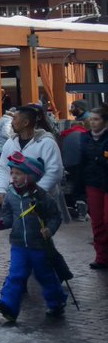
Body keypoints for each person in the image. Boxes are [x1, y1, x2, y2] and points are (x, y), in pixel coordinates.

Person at [0, 153, 67, 322]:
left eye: (18, 174)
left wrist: (49, 230)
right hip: (18, 244)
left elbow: (55, 216)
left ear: (30, 176)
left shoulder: (41, 196)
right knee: (16, 275)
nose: (14, 177)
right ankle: (8, 306)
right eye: (12, 173)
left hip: (39, 245)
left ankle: (57, 301)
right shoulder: (11, 196)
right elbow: (8, 219)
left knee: (45, 275)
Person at [0, 105, 63, 201]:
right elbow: (3, 168)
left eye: (14, 119)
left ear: (25, 123)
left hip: (44, 202)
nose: (11, 122)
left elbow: (55, 171)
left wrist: (36, 192)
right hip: (16, 199)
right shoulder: (10, 143)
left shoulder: (47, 143)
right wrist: (2, 190)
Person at [79, 104, 108, 269]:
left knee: (107, 220)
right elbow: (82, 161)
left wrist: (99, 159)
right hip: (93, 183)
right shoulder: (84, 137)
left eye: (96, 119)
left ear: (104, 121)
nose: (93, 122)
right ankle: (101, 257)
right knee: (97, 222)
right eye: (91, 119)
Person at [60, 100, 89, 218]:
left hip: (68, 164)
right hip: (79, 163)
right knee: (80, 186)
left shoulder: (67, 134)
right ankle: (81, 209)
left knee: (73, 185)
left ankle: (75, 205)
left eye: (73, 107)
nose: (71, 109)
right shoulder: (83, 133)